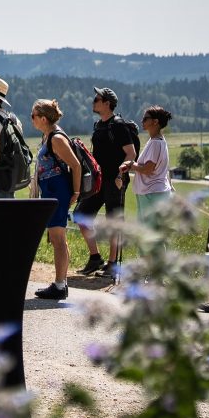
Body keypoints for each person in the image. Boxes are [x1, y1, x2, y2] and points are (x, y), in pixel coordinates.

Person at [75, 87, 140, 276]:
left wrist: (121, 175)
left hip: (115, 181)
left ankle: (112, 264)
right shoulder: (99, 125)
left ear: (107, 103)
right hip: (99, 180)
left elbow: (131, 154)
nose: (93, 101)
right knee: (81, 214)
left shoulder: (118, 125)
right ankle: (95, 258)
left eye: (97, 98)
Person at [27, 99, 83, 301]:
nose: (31, 119)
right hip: (52, 191)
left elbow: (75, 166)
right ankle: (60, 283)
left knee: (58, 239)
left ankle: (60, 285)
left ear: (43, 118)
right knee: (58, 238)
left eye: (33, 115)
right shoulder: (49, 135)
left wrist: (75, 193)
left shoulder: (56, 139)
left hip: (58, 192)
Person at [121, 106, 174, 222]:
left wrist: (131, 164)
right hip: (151, 193)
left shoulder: (155, 143)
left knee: (150, 234)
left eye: (145, 119)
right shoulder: (157, 140)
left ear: (155, 122)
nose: (142, 121)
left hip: (152, 194)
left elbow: (148, 169)